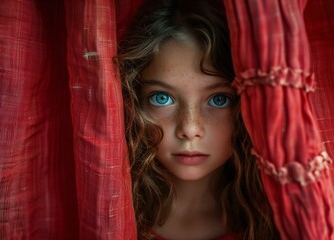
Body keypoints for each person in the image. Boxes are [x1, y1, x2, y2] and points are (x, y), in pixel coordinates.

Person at [116, 0, 280, 239]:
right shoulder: (106, 212)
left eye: (219, 99)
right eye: (162, 98)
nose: (190, 129)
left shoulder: (278, 220)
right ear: (134, 100)